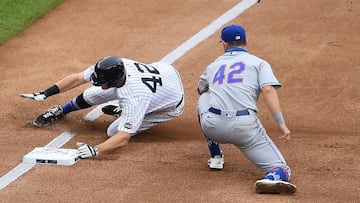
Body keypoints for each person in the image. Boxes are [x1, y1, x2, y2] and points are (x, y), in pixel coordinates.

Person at [196, 24, 297, 194]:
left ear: (224, 44)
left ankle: (216, 156)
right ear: (246, 42)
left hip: (214, 127)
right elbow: (267, 89)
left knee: (205, 98)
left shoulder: (213, 66)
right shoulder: (259, 63)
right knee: (281, 168)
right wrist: (281, 123)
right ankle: (272, 178)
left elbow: (201, 89)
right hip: (245, 129)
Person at [20, 56, 185, 159]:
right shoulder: (111, 66)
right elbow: (78, 78)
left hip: (169, 103)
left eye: (104, 82)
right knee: (92, 94)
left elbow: (123, 138)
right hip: (164, 72)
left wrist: (95, 150)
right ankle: (61, 110)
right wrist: (46, 93)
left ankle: (124, 113)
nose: (100, 84)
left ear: (114, 81)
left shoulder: (135, 97)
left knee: (113, 132)